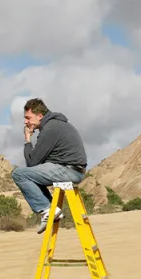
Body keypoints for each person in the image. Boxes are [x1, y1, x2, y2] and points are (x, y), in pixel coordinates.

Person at [11, 98, 88, 234]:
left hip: (67, 170)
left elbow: (31, 163)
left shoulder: (50, 129)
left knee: (19, 174)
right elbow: (36, 165)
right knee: (32, 175)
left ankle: (48, 210)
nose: (25, 122)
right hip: (74, 170)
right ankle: (51, 210)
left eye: (28, 118)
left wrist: (27, 139)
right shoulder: (57, 124)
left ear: (39, 115)